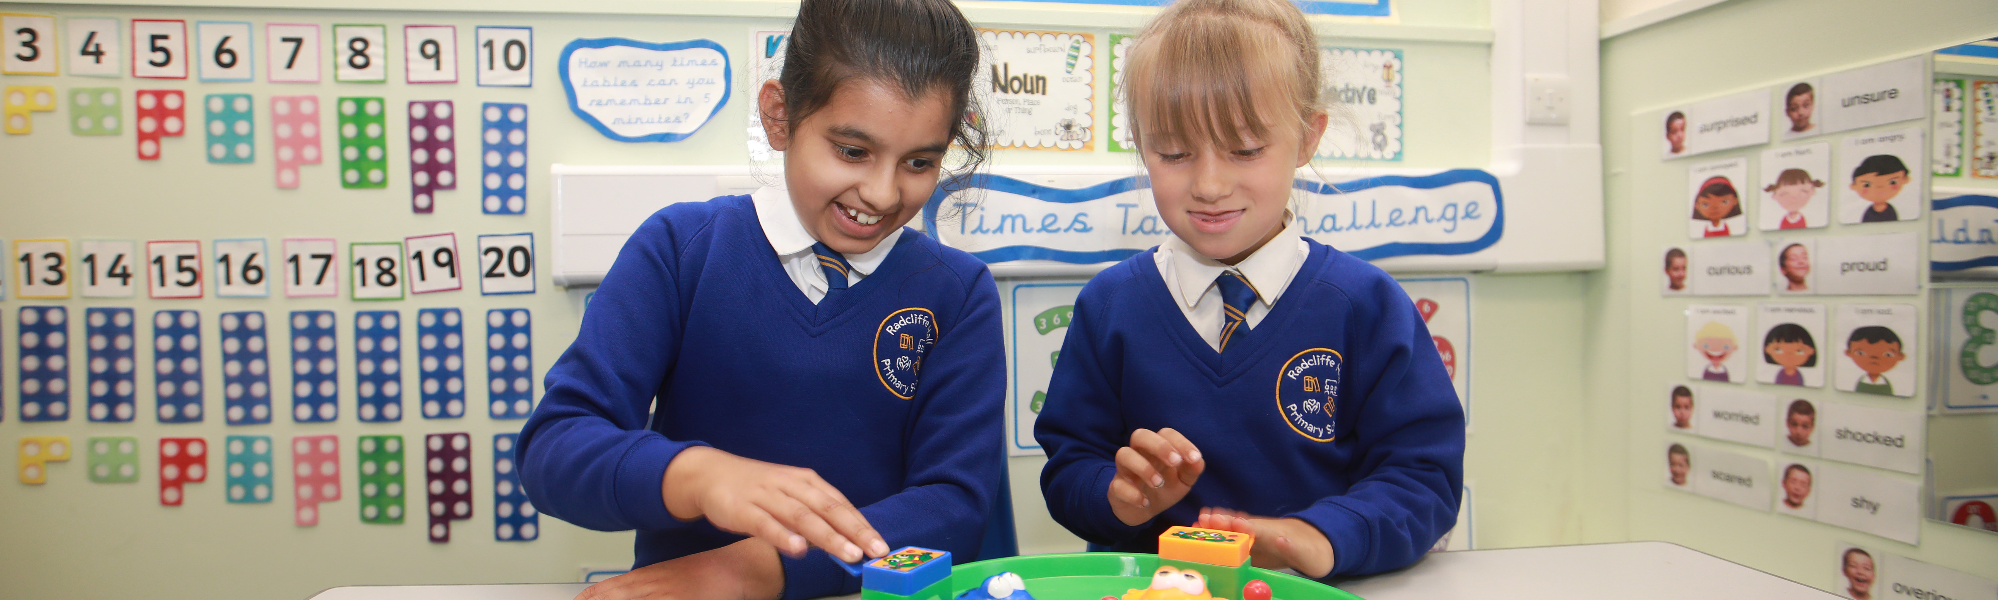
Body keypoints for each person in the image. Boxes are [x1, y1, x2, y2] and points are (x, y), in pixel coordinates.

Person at [515, 2, 1005, 598]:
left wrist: (754, 567)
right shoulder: (680, 250)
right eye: (852, 151)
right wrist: (694, 474)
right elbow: (556, 447)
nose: (881, 192)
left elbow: (953, 503)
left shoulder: (958, 293)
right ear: (779, 116)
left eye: (920, 162)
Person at [1035, 0, 1464, 580]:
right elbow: (1069, 466)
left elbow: (1423, 480)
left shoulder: (1368, 307)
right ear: (1139, 143)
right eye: (1174, 152)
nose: (1210, 185)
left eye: (1245, 150)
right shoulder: (1109, 306)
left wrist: (1313, 537)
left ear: (1308, 137)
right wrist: (1119, 496)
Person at [1845, 326, 1905, 395]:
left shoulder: (1898, 383)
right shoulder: (1849, 380)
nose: (1874, 358)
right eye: (1860, 353)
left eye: (1888, 354)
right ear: (1849, 353)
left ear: (1900, 356)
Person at [1851, 155, 1910, 223]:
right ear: (1854, 186)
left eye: (1892, 182)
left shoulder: (1891, 211)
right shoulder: (1868, 212)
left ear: (1905, 180)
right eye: (1866, 185)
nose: (1880, 188)